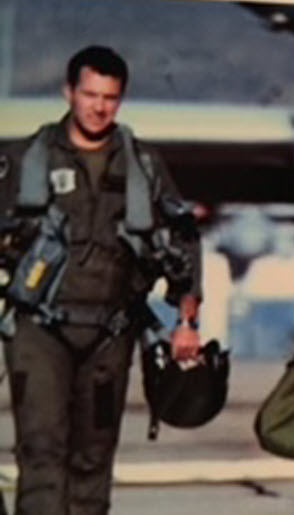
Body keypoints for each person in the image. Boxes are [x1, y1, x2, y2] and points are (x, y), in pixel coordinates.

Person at [0, 45, 202, 515]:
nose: (99, 107)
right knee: (42, 452)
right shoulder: (24, 160)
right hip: (38, 330)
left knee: (94, 459)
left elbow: (183, 240)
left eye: (110, 97)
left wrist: (186, 320)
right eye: (89, 94)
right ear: (68, 92)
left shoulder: (143, 166)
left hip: (110, 333)